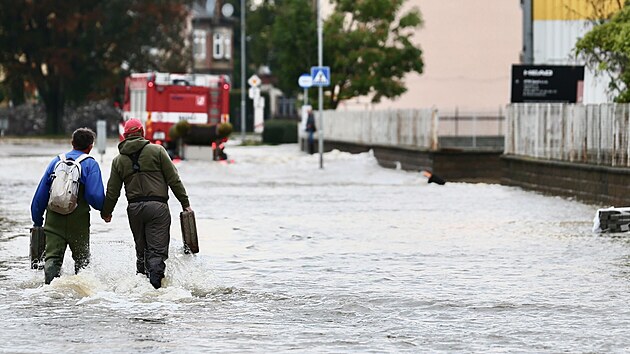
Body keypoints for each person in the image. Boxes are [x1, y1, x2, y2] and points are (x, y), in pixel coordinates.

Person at [101, 119, 192, 289]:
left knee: (141, 253)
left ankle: (140, 289)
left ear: (125, 136)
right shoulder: (157, 151)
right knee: (156, 253)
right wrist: (185, 203)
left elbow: (112, 192)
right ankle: (155, 291)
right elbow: (174, 179)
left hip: (134, 209)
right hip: (158, 208)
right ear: (142, 133)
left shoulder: (118, 160)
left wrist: (106, 212)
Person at [30, 128, 105, 284]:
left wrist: (37, 220)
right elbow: (94, 196)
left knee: (52, 259)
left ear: (72, 143)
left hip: (54, 220)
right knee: (82, 263)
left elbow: (41, 194)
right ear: (91, 146)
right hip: (79, 222)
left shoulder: (56, 162)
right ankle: (79, 297)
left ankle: (51, 293)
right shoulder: (90, 164)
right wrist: (104, 210)